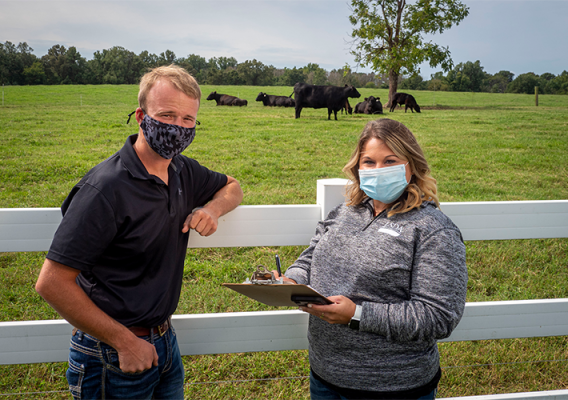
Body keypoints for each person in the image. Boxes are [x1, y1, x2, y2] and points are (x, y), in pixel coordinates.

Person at [35, 65, 243, 399]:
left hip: (164, 343)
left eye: (188, 119)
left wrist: (211, 209)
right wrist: (125, 342)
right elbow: (51, 282)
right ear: (140, 116)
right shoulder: (105, 188)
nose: (178, 128)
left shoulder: (181, 169)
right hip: (112, 353)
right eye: (167, 115)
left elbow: (232, 186)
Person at [276, 118, 467, 399]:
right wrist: (292, 279)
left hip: (391, 388)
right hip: (324, 376)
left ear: (411, 166)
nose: (379, 170)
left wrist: (357, 315)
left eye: (390, 161)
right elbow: (311, 257)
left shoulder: (433, 229)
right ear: (357, 167)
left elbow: (438, 316)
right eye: (369, 162)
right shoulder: (345, 212)